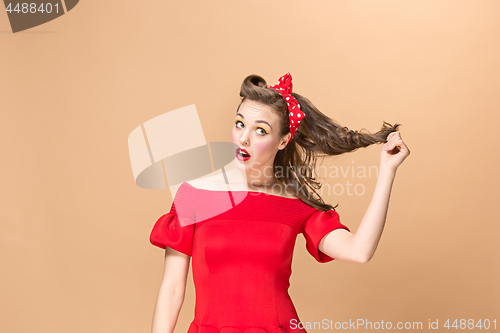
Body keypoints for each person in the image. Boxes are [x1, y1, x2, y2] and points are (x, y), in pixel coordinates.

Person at [150, 73, 410, 333]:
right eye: (240, 124)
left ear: (284, 140)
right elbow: (172, 290)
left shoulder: (296, 203)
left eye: (260, 130)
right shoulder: (194, 194)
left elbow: (359, 251)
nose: (244, 138)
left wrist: (387, 171)